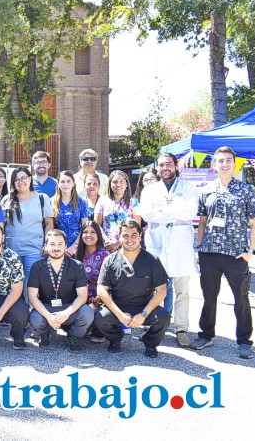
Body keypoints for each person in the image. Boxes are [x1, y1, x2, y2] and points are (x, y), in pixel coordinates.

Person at [190, 146, 255, 359]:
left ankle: (244, 341)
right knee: (209, 297)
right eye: (220, 160)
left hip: (236, 254)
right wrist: (200, 248)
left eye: (228, 160)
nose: (225, 164)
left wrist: (251, 250)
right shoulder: (206, 191)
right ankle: (206, 335)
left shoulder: (245, 190)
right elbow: (202, 222)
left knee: (241, 298)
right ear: (214, 165)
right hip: (210, 253)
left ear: (234, 163)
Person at [139, 153, 199, 348]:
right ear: (158, 167)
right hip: (158, 245)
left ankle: (181, 329)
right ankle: (155, 327)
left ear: (175, 166)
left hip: (180, 245)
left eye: (169, 164)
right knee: (154, 289)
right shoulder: (149, 190)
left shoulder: (187, 188)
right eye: (162, 165)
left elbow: (190, 212)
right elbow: (148, 215)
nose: (165, 168)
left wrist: (164, 211)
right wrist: (175, 212)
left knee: (182, 290)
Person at [95, 220, 170, 358]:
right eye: (125, 235)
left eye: (134, 235)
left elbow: (162, 290)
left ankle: (150, 342)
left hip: (144, 306)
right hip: (119, 306)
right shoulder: (110, 260)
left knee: (164, 317)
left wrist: (143, 315)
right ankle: (115, 338)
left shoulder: (152, 260)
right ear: (119, 237)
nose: (130, 240)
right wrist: (119, 315)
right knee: (100, 317)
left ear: (141, 236)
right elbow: (101, 290)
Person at [28, 230, 94, 352]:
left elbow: (82, 296)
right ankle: (45, 333)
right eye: (52, 244)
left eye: (60, 244)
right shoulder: (37, 267)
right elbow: (32, 297)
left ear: (65, 246)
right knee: (35, 318)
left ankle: (74, 335)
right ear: (46, 246)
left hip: (70, 307)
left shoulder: (77, 266)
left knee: (87, 313)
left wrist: (66, 313)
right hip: (47, 308)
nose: (56, 248)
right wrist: (48, 316)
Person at [2, 167, 54, 299]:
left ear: (30, 179)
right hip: (12, 250)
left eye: (23, 178)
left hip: (34, 250)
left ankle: (30, 314)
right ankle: (17, 316)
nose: (20, 182)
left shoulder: (42, 198)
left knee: (30, 285)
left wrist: (47, 244)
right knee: (13, 285)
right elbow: (1, 225)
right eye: (17, 180)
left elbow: (48, 223)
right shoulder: (7, 200)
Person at [74, 221, 109, 343]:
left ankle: (97, 329)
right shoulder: (77, 255)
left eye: (93, 232)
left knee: (100, 315)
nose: (88, 235)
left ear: (98, 235)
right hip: (80, 296)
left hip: (100, 297)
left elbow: (109, 286)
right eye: (85, 232)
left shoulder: (105, 256)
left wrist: (95, 303)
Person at [95, 170, 142, 252]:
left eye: (122, 181)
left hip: (127, 245)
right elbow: (97, 225)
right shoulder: (102, 201)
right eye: (115, 182)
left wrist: (118, 243)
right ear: (110, 184)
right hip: (106, 246)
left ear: (126, 184)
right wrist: (106, 241)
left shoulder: (134, 203)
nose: (118, 184)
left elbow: (136, 226)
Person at [52, 171, 89, 256]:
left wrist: (73, 247)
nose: (65, 184)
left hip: (76, 246)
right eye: (62, 181)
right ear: (58, 184)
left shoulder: (82, 202)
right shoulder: (51, 202)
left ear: (73, 184)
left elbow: (85, 227)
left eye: (68, 181)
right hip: (57, 246)